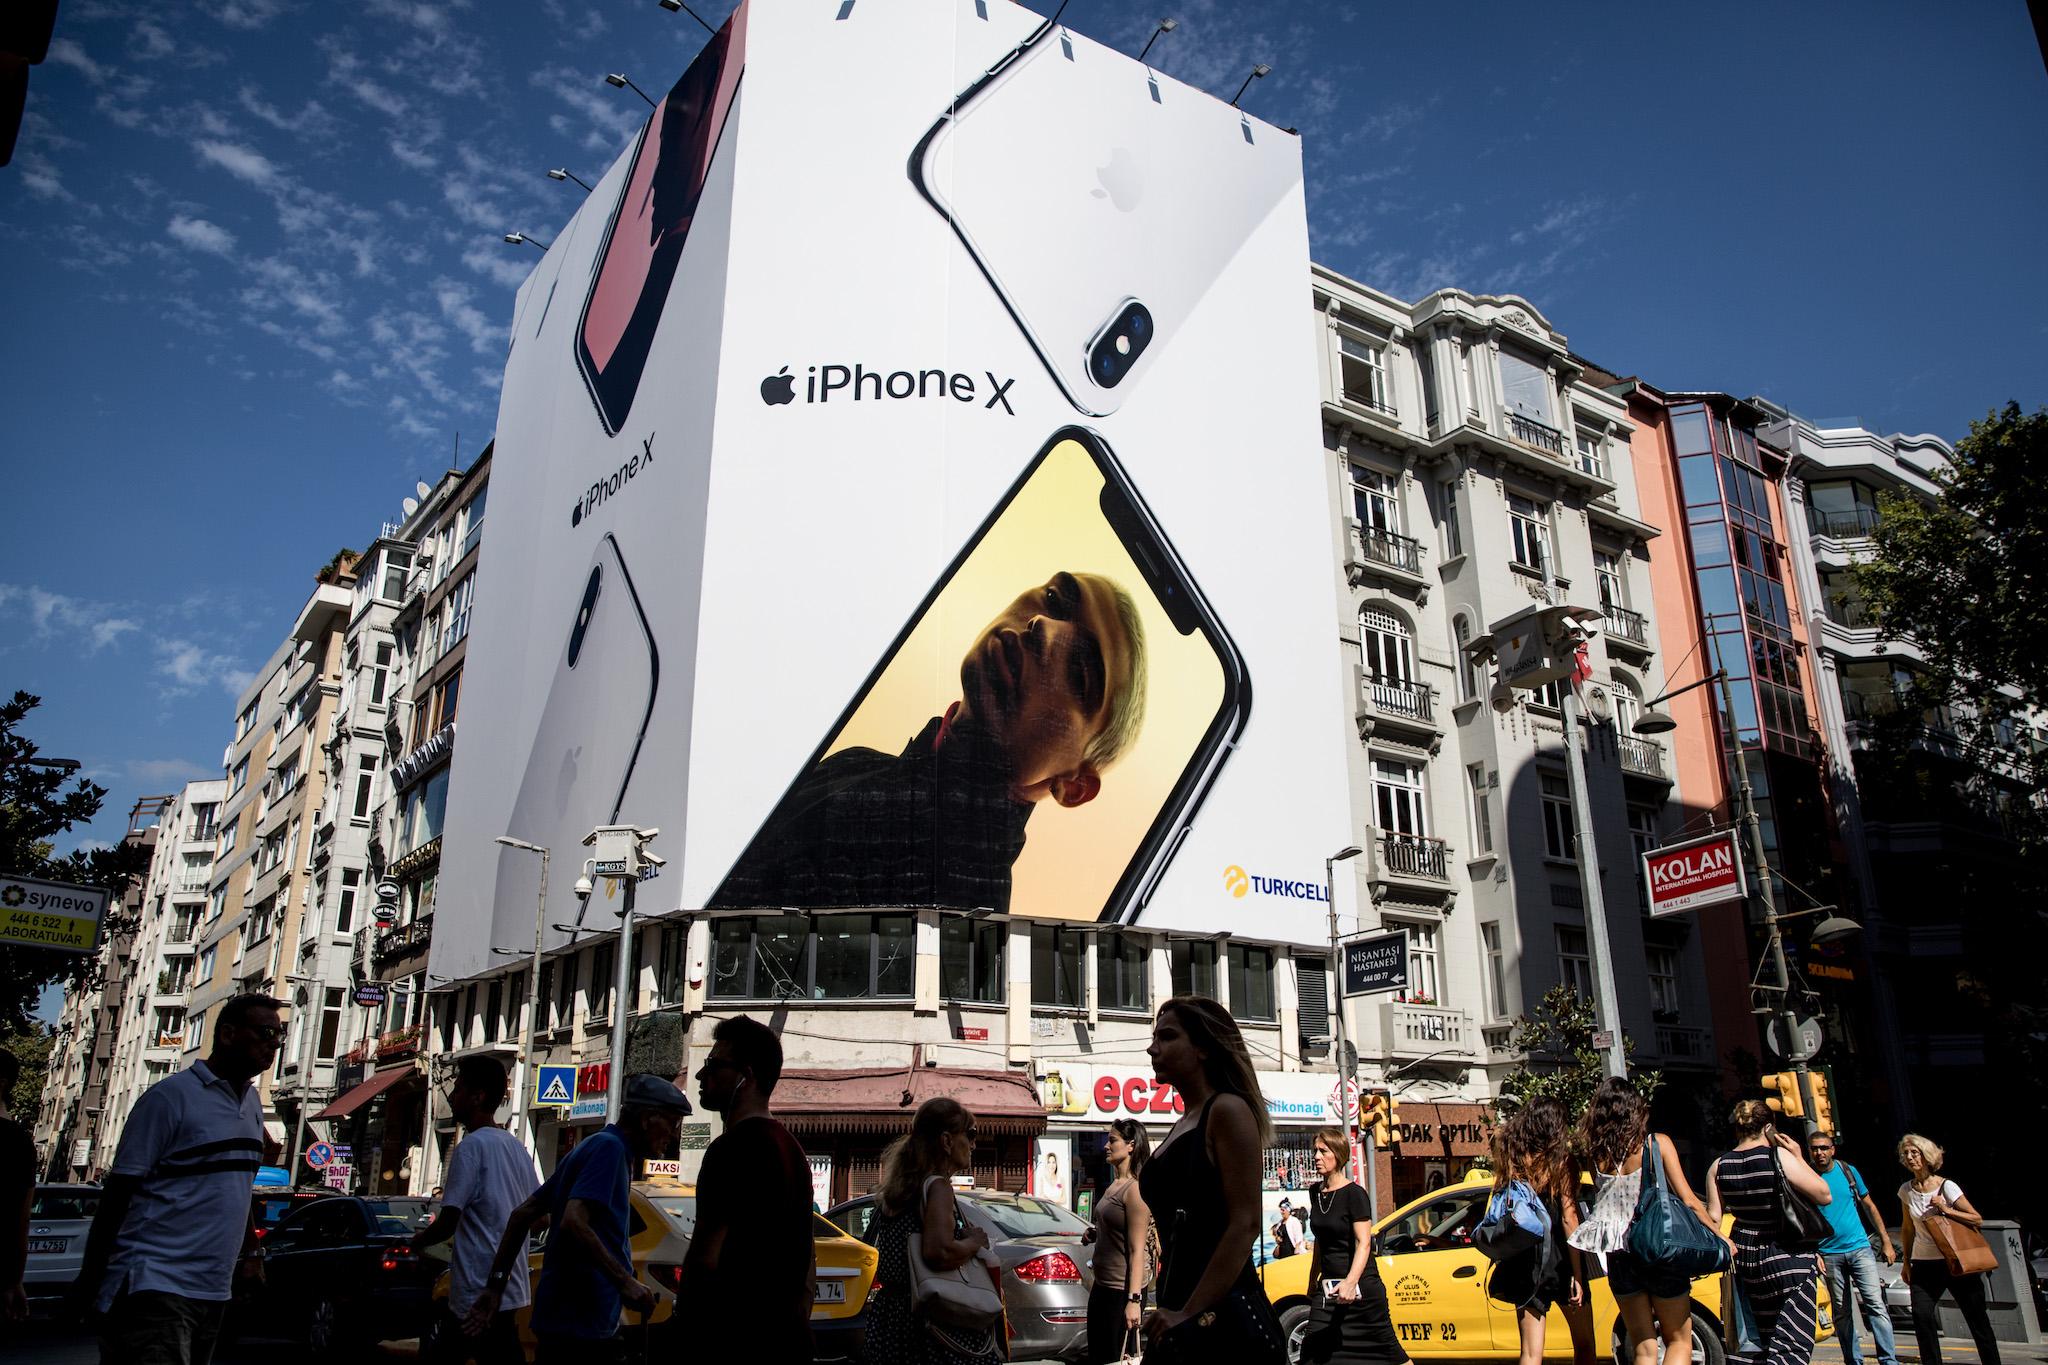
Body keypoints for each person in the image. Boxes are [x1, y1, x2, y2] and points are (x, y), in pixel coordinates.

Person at [712, 571, 1147, 912]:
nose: (1043, 627)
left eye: (1079, 673)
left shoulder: (968, 921)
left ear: (1073, 787)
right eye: (1053, 599)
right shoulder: (856, 763)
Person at [74, 992, 283, 1365]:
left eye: (279, 1036)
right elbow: (118, 1194)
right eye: (265, 1033)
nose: (274, 1045)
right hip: (153, 1283)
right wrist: (90, 1281)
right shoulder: (170, 1099)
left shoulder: (251, 1105)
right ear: (229, 1034)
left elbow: (237, 1189)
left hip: (213, 1290)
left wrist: (252, 1253)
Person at [466, 1074, 691, 1363]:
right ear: (648, 1118)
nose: (674, 1135)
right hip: (580, 1326)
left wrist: (494, 1287)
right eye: (672, 1124)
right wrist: (626, 1282)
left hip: (566, 1320)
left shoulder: (594, 1145)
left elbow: (522, 1215)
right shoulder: (610, 1150)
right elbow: (574, 1221)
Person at [1139, 995, 1288, 1357]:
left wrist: (1190, 1311)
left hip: (1220, 1322)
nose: (1151, 1048)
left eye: (1167, 1037)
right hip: (1180, 1312)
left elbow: (1245, 1223)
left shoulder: (1227, 1110)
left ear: (1203, 1047)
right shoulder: (1184, 1122)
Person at [685, 1015, 816, 1364]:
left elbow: (706, 1257)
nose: (701, 1075)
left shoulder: (731, 1149)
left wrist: (686, 1331)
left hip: (733, 1340)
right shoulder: (793, 1150)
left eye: (713, 1065)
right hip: (786, 1341)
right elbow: (807, 1259)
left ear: (747, 1075)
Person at [1572, 1076, 1727, 1365]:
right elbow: (1690, 1201)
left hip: (1619, 1255)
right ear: (1635, 1108)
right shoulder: (1656, 1144)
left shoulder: (1596, 1155)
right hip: (1658, 1249)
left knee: (1643, 1345)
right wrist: (1720, 1236)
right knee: (1678, 1340)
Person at [411, 1056, 538, 1365]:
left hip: (477, 1288)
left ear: (478, 1096)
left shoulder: (470, 1147)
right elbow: (540, 1214)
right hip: (510, 1284)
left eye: (459, 1089)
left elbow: (449, 1220)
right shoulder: (514, 1147)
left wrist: (417, 1243)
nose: (452, 1097)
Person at [862, 1097, 1003, 1365]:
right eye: (970, 1134)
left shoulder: (900, 1188)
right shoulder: (938, 1186)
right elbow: (938, 1251)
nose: (974, 1144)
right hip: (928, 1323)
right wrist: (973, 1242)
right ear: (947, 1141)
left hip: (892, 1318)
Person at [1706, 1100, 1831, 1365]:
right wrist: (1797, 1156)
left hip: (1748, 1260)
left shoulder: (1719, 1166)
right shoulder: (1778, 1157)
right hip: (1787, 1255)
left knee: (1768, 1341)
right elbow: (1823, 1194)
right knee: (1792, 1346)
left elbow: (1713, 1219)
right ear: (1768, 1127)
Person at [1487, 1097, 1596, 1365]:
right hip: (1560, 1262)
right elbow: (1569, 1218)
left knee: (1530, 1353)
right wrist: (1578, 1274)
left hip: (1525, 1261)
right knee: (1584, 1344)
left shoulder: (1513, 1159)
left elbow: (1498, 1134)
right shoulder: (1562, 1163)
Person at [1300, 1126, 1405, 1365]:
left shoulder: (1355, 1194)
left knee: (1389, 1352)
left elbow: (1364, 1242)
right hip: (1328, 1290)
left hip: (1361, 1290)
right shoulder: (1315, 1192)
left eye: (1323, 1151)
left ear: (1338, 1154)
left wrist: (1350, 1281)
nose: (1316, 1156)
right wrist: (1312, 1278)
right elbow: (1321, 1240)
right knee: (1311, 1352)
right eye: (1315, 1150)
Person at [1896, 1133, 2000, 1365]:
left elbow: (1976, 1219)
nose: (1911, 1157)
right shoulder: (1906, 1190)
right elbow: (1907, 1229)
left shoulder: (1946, 1186)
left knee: (1977, 1320)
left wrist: (1945, 1209)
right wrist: (1906, 1262)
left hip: (1955, 1261)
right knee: (1922, 1317)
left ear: (1927, 1156)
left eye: (1916, 1153)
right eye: (1906, 1154)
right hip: (1923, 1264)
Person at [1806, 1130, 1897, 1365]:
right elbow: (1802, 1219)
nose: (1820, 1153)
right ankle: (1852, 1361)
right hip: (1828, 1254)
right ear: (1809, 1151)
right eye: (1815, 1148)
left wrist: (1886, 1241)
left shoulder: (1847, 1171)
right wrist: (1813, 1252)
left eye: (1824, 1147)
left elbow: (1869, 1206)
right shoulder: (1805, 1176)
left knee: (1875, 1305)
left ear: (1832, 1149)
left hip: (1859, 1248)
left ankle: (1889, 1360)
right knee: (1841, 1312)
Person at [1081, 1118, 1153, 1364]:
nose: (1106, 1146)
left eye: (1112, 1141)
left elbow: (1137, 1250)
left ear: (1131, 1145)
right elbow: (1116, 1228)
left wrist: (1134, 1301)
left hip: (1121, 1292)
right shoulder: (1115, 1185)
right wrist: (1096, 1233)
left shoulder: (1134, 1190)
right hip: (1103, 1286)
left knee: (1115, 1358)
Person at [1, 1047, 34, 1322]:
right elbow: (21, 1220)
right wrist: (15, 1280)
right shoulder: (20, 1142)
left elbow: (22, 1219)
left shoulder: (18, 1142)